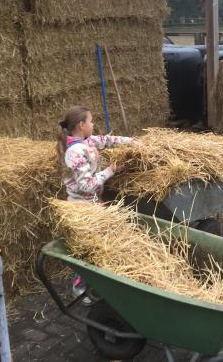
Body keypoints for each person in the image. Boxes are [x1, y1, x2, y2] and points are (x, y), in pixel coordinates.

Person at [56, 105, 138, 303]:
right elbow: (85, 185)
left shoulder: (88, 141)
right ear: (81, 125)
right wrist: (110, 170)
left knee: (98, 246)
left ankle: (96, 283)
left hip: (94, 204)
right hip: (82, 207)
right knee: (88, 249)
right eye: (91, 121)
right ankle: (80, 288)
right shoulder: (74, 152)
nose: (94, 125)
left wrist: (133, 142)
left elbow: (108, 140)